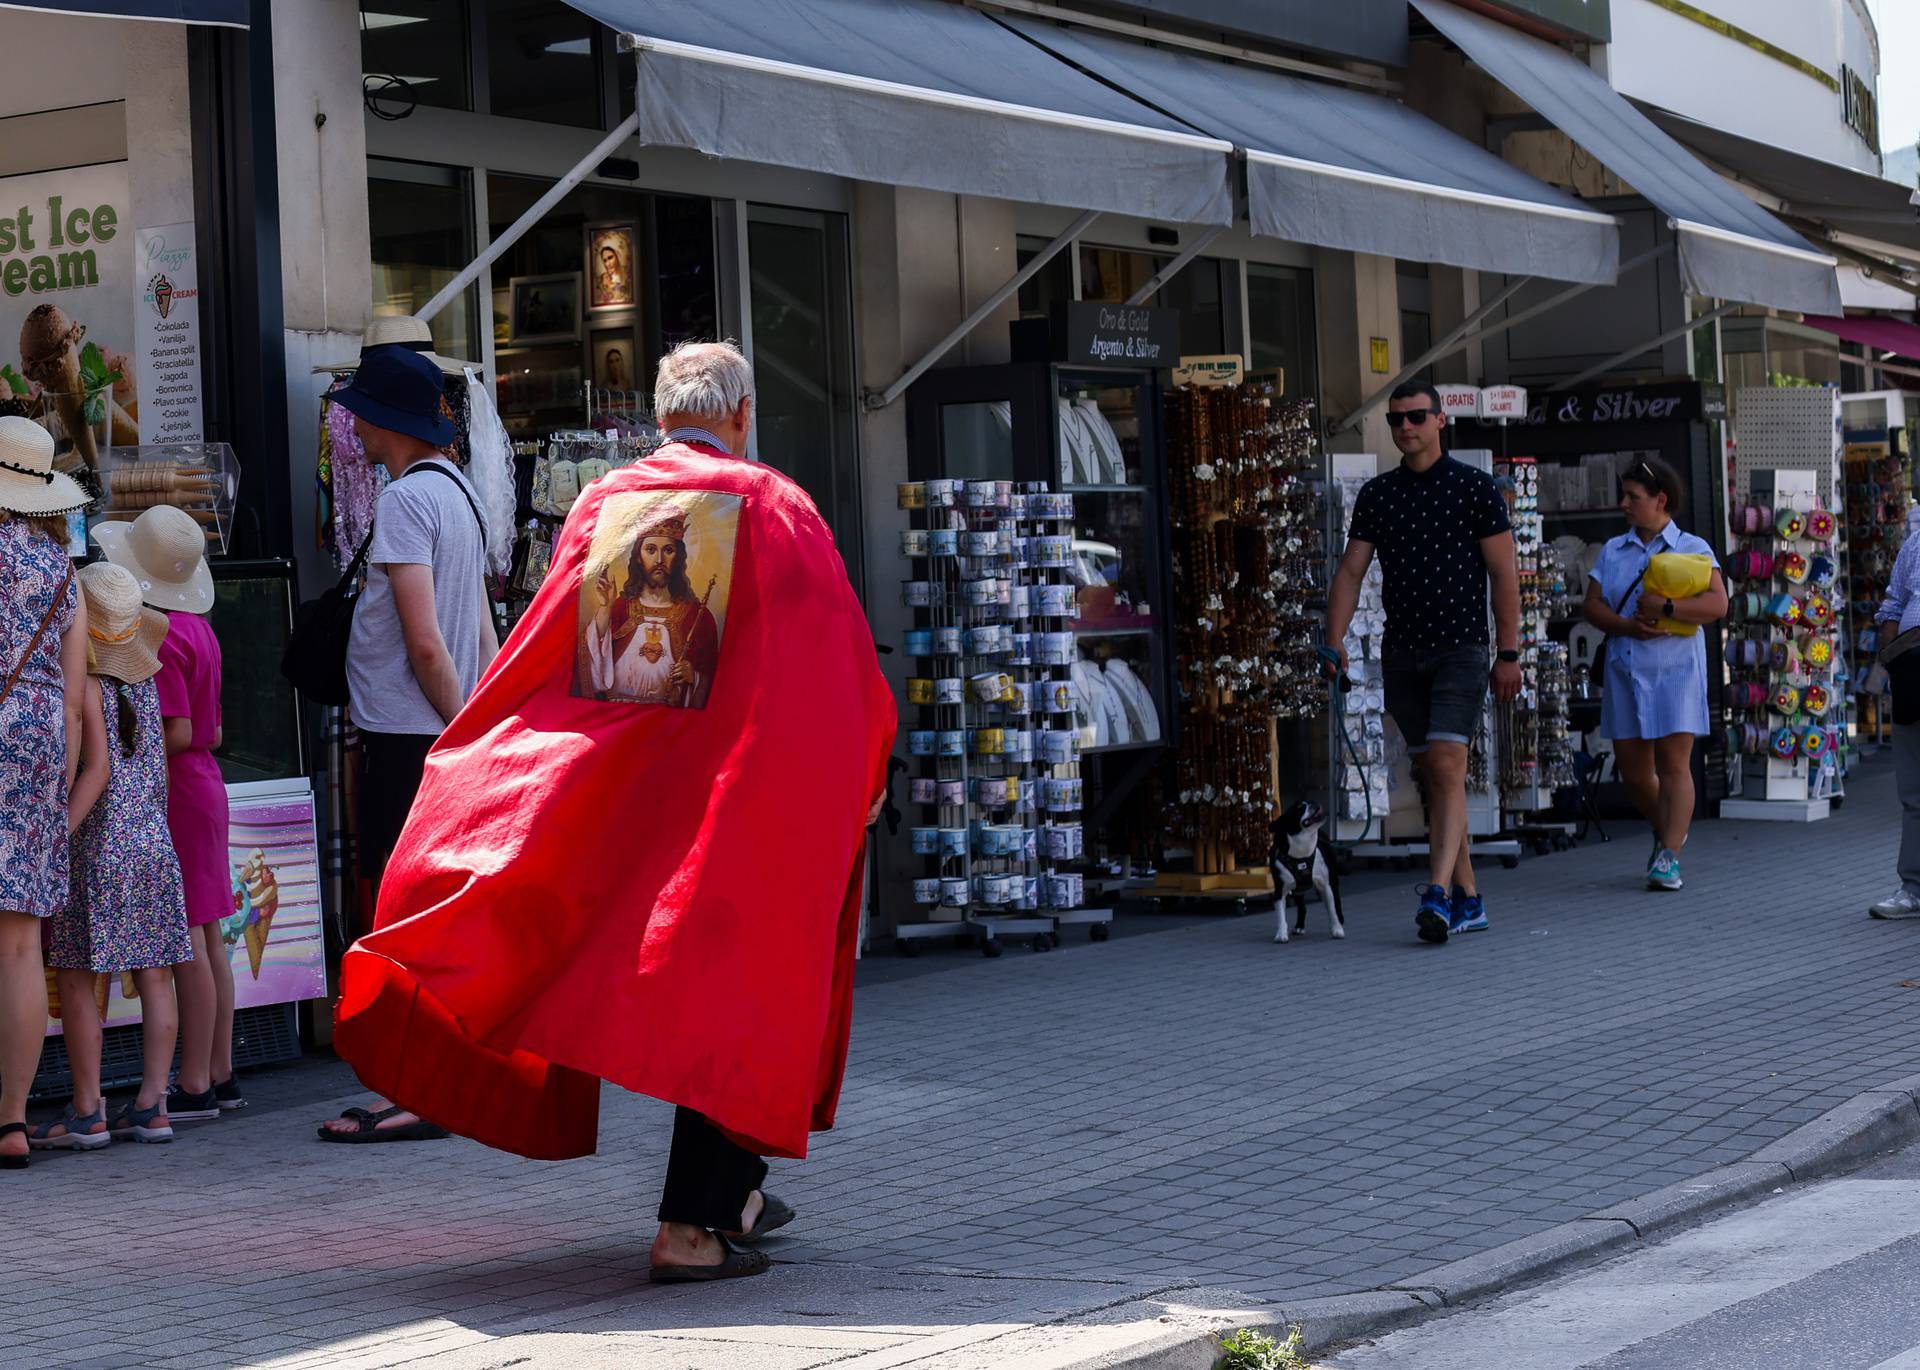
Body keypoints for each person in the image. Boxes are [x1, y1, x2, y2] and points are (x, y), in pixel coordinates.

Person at [329, 341, 895, 1282]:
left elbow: (568, 667)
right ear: (744, 416)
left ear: (662, 417)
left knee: (689, 986)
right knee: (743, 995)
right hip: (740, 801)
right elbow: (835, 659)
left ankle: (736, 1197)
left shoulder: (610, 503)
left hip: (635, 799)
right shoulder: (775, 506)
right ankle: (695, 1226)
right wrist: (867, 761)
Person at [317, 344, 496, 1142]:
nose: (346, 421)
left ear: (381, 419)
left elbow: (426, 643)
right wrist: (481, 721)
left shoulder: (402, 504)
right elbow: (482, 628)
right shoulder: (457, 491)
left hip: (406, 738)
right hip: (438, 733)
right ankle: (432, 1082)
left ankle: (410, 1092)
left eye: (355, 408)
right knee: (426, 913)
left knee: (394, 915)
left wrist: (457, 727)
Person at [1327, 381, 1521, 944]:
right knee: (1435, 778)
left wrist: (1507, 652)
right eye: (1395, 420)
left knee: (1444, 768)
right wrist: (1334, 638)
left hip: (1462, 648)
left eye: (1415, 417)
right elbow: (1349, 571)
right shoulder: (1378, 495)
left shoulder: (1475, 489)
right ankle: (1469, 898)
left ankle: (1436, 893)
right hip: (1402, 652)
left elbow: (1504, 575)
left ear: (1440, 421)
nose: (1405, 428)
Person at [34, 563, 194, 1150]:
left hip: (98, 849)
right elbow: (158, 775)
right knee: (156, 974)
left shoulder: (91, 687)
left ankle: (86, 1109)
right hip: (152, 843)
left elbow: (97, 769)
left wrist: (56, 835)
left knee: (77, 975)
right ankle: (155, 1103)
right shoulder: (145, 687)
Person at [95, 503, 236, 1122]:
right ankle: (220, 1068)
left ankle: (196, 1080)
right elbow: (212, 726)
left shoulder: (164, 633)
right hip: (206, 783)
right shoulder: (202, 630)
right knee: (210, 934)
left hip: (175, 788)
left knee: (191, 941)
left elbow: (174, 730)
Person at [0, 416, 88, 1172]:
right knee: (21, 943)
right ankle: (13, 1120)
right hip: (33, 744)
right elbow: (70, 697)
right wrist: (54, 781)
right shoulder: (62, 573)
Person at [1582, 457, 1727, 892]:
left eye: (1633, 496)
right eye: (1623, 495)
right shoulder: (1613, 550)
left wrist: (1666, 608)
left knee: (1674, 764)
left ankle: (1669, 855)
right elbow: (1592, 606)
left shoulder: (1693, 548)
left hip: (1677, 669)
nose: (1624, 503)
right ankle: (1667, 830)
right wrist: (1627, 626)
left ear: (1660, 499)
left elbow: (1718, 606)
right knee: (1634, 771)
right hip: (1626, 667)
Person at [583, 503, 720, 706]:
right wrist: (605, 608)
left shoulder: (698, 617)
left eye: (668, 550)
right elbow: (590, 665)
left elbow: (715, 681)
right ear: (638, 557)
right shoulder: (619, 608)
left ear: (679, 557)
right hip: (618, 716)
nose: (659, 559)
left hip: (668, 724)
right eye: (650, 549)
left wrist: (695, 677)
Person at [1870, 506, 1920, 919]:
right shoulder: (1916, 544)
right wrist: (1892, 657)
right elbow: (1892, 605)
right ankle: (1913, 888)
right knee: (1914, 792)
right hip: (1912, 673)